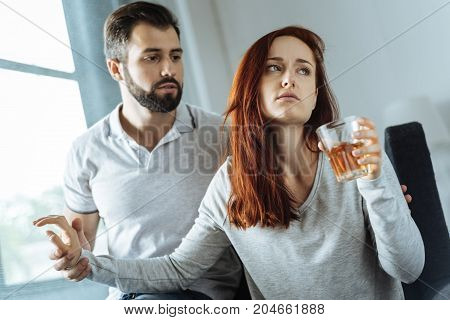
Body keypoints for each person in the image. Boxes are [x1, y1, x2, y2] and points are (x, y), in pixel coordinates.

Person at [35, 26, 424, 299]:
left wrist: (377, 187)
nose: (290, 79)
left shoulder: (357, 154)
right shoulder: (230, 182)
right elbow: (178, 268)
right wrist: (87, 262)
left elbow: (408, 270)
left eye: (303, 70)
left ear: (315, 91)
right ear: (252, 87)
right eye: (275, 68)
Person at [38, 1, 242, 300]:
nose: (168, 69)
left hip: (207, 297)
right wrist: (69, 257)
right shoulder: (86, 150)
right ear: (115, 68)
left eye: (175, 56)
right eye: (151, 57)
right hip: (131, 297)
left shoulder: (222, 136)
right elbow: (81, 248)